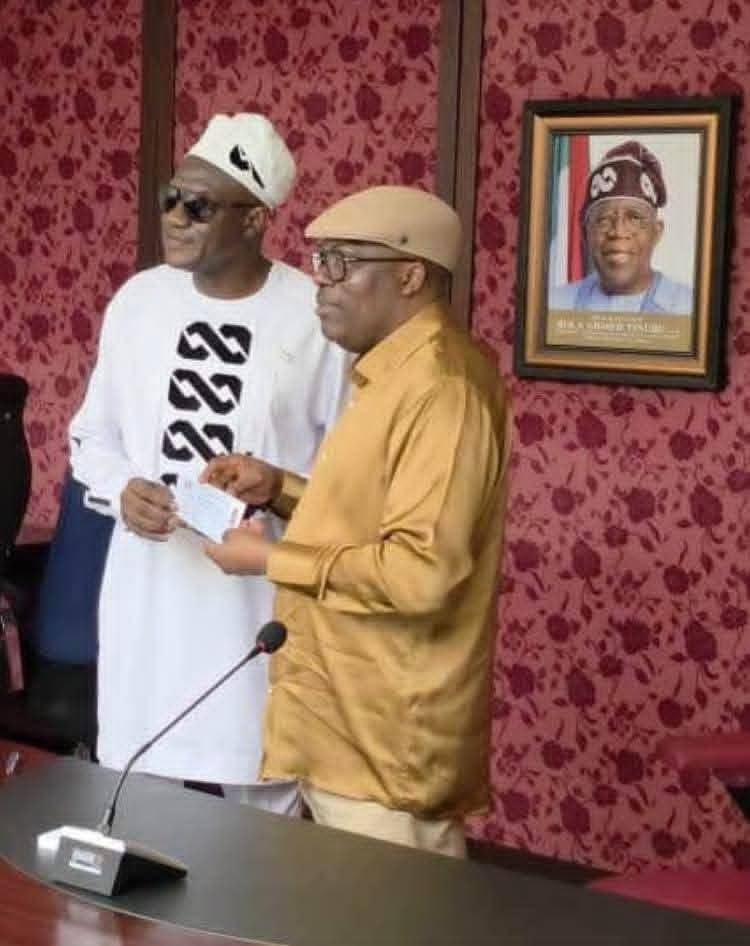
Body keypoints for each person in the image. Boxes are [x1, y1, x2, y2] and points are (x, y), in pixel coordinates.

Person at [202, 185, 512, 857]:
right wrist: (278, 489)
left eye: (342, 263)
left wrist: (268, 560)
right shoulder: (389, 374)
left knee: (397, 915)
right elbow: (371, 519)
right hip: (341, 727)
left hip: (389, 745)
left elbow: (422, 574)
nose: (321, 282)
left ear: (410, 275)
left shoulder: (443, 386)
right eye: (319, 262)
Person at [68, 113, 349, 813]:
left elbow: (348, 476)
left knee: (263, 816)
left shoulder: (315, 317)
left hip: (255, 613)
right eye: (171, 197)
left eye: (197, 206)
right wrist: (121, 489)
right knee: (133, 811)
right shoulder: (138, 301)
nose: (174, 217)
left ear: (253, 220)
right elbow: (91, 436)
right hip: (147, 606)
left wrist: (275, 491)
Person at [548, 140, 693, 314]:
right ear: (585, 233)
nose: (618, 231)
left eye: (635, 218)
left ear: (656, 232)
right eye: (603, 220)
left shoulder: (692, 308)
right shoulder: (552, 306)